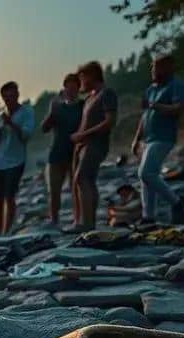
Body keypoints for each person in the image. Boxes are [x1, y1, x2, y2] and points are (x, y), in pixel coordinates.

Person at [132, 54, 184, 224]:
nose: (153, 70)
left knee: (146, 173)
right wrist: (136, 139)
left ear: (168, 68)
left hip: (164, 137)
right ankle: (148, 216)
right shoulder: (150, 90)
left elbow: (178, 108)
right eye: (152, 67)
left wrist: (155, 106)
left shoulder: (176, 85)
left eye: (157, 67)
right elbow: (144, 116)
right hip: (148, 138)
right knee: (146, 177)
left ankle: (176, 202)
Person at [70, 61, 117, 231]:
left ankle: (87, 223)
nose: (80, 82)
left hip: (96, 143)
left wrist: (83, 135)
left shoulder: (106, 93)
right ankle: (88, 221)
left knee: (83, 178)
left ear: (92, 76)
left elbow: (110, 122)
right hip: (83, 145)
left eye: (82, 77)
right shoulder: (90, 98)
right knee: (85, 180)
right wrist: (79, 139)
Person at [0, 81, 35, 235]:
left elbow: (26, 136)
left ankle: (7, 231)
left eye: (12, 96)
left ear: (17, 95)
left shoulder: (26, 112)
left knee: (9, 196)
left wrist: (11, 124)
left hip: (16, 160)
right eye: (6, 97)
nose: (9, 99)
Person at [40, 73, 83, 225]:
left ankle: (78, 219)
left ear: (78, 89)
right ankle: (54, 220)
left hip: (75, 153)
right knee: (54, 190)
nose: (70, 91)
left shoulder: (83, 106)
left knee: (76, 188)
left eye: (73, 88)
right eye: (68, 88)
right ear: (64, 89)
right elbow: (44, 128)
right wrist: (52, 112)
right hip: (57, 153)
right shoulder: (57, 107)